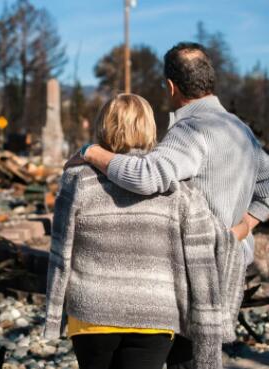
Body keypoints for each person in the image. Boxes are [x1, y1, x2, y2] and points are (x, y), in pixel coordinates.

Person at [64, 41, 269, 367]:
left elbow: (147, 176)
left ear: (171, 86)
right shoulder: (241, 130)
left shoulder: (191, 131)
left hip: (195, 271)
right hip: (231, 266)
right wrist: (245, 226)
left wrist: (92, 152)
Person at [44, 93, 247, 369]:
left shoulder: (78, 179)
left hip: (92, 312)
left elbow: (60, 250)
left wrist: (54, 313)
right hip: (156, 313)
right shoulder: (176, 187)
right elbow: (208, 246)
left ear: (102, 126)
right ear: (150, 127)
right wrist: (243, 228)